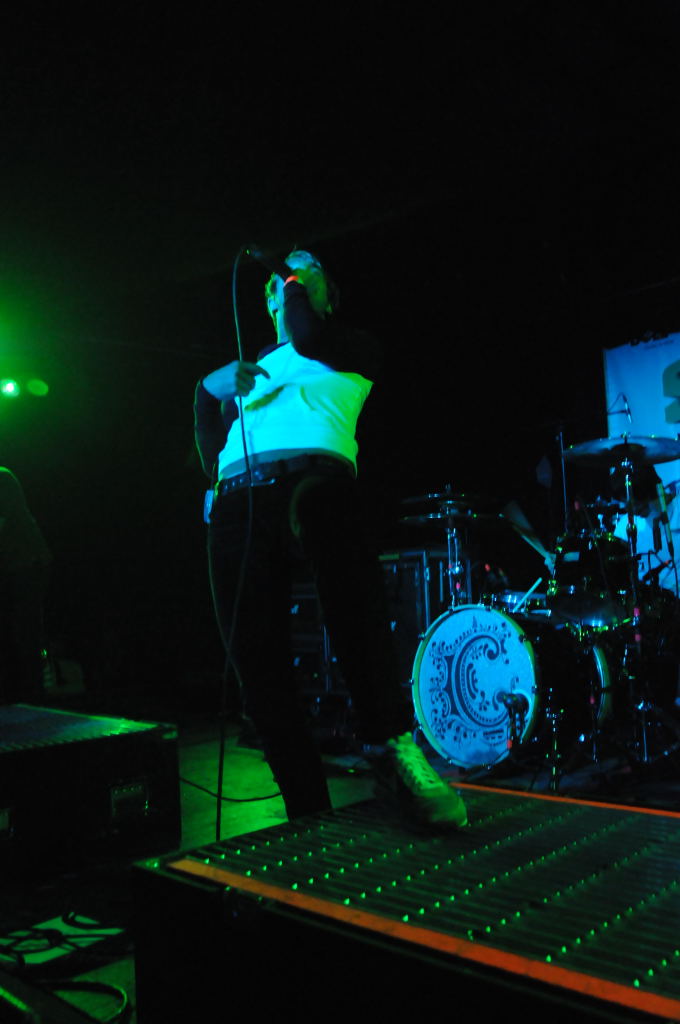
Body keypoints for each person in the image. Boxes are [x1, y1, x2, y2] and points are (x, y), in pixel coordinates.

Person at [193, 248, 467, 828]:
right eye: (286, 276)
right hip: (239, 496)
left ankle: (391, 746)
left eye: (309, 269)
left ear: (324, 295)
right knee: (255, 661)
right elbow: (212, 455)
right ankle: (305, 805)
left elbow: (308, 335)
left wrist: (290, 276)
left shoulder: (349, 346)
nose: (294, 274)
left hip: (315, 481)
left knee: (353, 604)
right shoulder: (249, 375)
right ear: (269, 301)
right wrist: (205, 393)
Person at [0, 467, 52, 704]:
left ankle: (32, 694)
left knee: (25, 630)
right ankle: (21, 693)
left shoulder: (1, 478)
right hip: (16, 566)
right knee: (16, 630)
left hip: (27, 563)